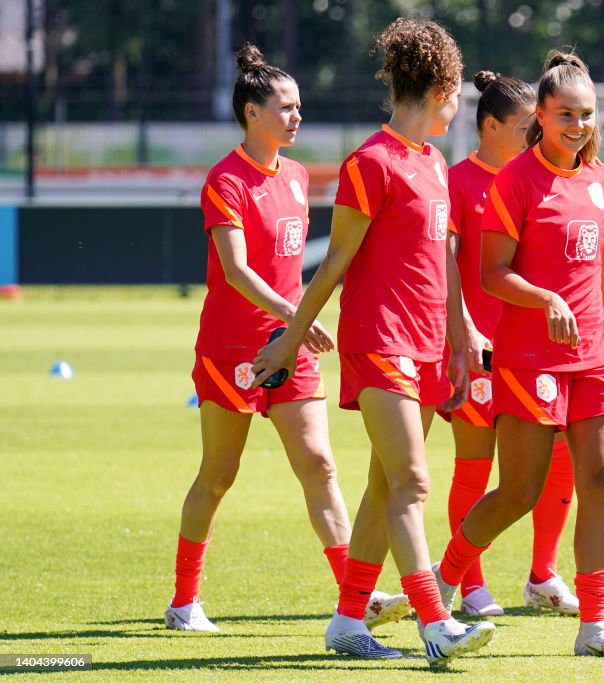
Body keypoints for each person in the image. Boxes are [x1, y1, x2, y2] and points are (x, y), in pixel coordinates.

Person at [251, 18, 495, 668]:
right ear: (440, 86)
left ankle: (347, 619)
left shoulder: (435, 164)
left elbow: (442, 261)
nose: (460, 106)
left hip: (424, 349)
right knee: (413, 481)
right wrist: (288, 343)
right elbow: (331, 267)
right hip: (379, 342)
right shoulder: (370, 163)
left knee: (385, 486)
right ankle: (437, 622)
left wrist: (461, 331)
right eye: (457, 93)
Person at [165, 43, 407, 637]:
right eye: (286, 107)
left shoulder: (298, 177)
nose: (297, 116)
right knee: (219, 474)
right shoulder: (226, 180)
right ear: (252, 111)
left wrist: (295, 326)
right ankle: (183, 602)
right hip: (233, 350)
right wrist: (296, 312)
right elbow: (237, 269)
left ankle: (356, 595)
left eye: (300, 107)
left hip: (289, 344)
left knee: (320, 465)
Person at [433, 51, 604, 658]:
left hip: (597, 360)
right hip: (531, 360)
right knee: (518, 492)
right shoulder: (515, 180)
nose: (577, 126)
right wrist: (546, 297)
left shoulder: (602, 180)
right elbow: (492, 273)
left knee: (600, 484)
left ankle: (594, 629)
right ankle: (446, 579)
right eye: (564, 116)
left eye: (586, 115)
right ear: (542, 119)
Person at [443, 70, 580, 618]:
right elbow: (446, 263)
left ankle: (543, 573)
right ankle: (469, 584)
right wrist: (465, 331)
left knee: (561, 458)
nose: (534, 135)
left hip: (540, 350)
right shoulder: (459, 182)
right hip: (482, 349)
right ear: (491, 126)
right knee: (475, 466)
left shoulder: (544, 178)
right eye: (525, 126)